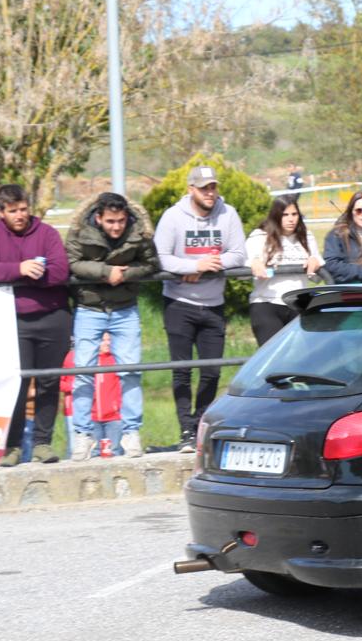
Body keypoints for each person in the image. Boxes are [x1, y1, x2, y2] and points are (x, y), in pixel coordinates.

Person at [0, 184, 71, 466]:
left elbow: (61, 270)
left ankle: (42, 443)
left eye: (24, 209)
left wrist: (32, 274)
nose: (20, 215)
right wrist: (18, 269)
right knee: (17, 383)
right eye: (13, 211)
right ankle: (13, 447)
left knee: (49, 381)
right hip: (14, 320)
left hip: (53, 317)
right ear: (1, 212)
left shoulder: (47, 233)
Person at [153, 165, 247, 453]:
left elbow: (239, 254)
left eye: (213, 187)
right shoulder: (172, 217)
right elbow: (161, 258)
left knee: (212, 372)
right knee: (182, 370)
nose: (210, 193)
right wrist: (192, 266)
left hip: (214, 304)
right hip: (179, 303)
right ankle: (184, 431)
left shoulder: (227, 213)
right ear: (190, 189)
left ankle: (199, 428)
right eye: (204, 188)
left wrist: (210, 264)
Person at [64, 191, 158, 460]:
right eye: (110, 221)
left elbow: (151, 263)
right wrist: (106, 273)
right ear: (98, 218)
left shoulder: (138, 232)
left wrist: (127, 274)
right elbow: (72, 262)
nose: (116, 227)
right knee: (83, 370)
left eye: (120, 221)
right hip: (89, 308)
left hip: (125, 307)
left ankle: (131, 432)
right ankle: (82, 434)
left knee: (130, 370)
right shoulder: (80, 231)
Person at [246, 197, 322, 345]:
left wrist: (315, 262)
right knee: (272, 356)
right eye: (285, 215)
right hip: (267, 303)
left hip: (298, 304)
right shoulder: (260, 236)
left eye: (294, 214)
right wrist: (254, 263)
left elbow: (317, 275)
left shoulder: (306, 237)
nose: (291, 219)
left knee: (301, 357)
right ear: (276, 215)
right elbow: (244, 262)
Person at [59, 331, 124, 456]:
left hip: (114, 417)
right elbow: (61, 382)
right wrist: (74, 387)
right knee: (93, 452)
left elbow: (121, 387)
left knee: (115, 451)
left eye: (109, 340)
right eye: (103, 340)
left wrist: (118, 408)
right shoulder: (84, 360)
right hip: (92, 417)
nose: (107, 343)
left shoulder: (115, 360)